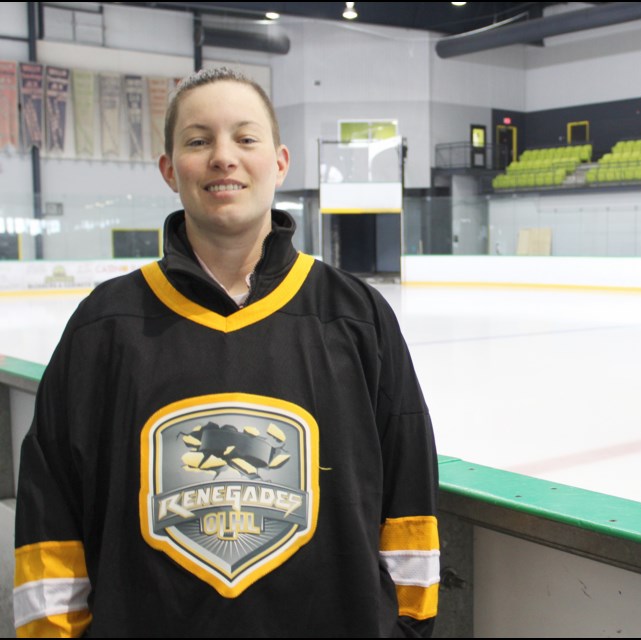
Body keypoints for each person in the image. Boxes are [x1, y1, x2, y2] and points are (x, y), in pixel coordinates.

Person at [13, 67, 440, 638]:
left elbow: (408, 492)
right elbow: (51, 509)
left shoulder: (355, 317)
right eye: (197, 141)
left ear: (280, 161)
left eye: (245, 138)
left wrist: (406, 630)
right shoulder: (105, 327)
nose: (223, 157)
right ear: (169, 170)